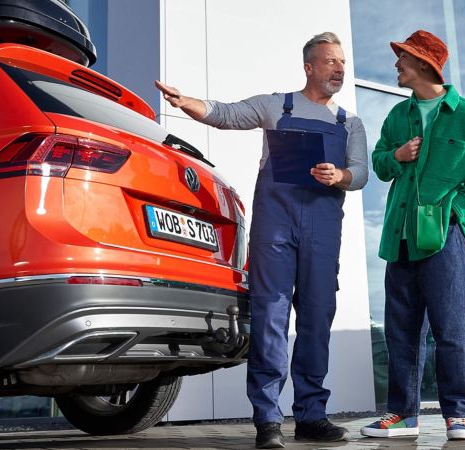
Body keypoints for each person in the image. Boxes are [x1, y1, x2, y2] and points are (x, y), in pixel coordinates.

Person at [155, 32, 367, 449]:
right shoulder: (277, 105)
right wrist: (186, 103)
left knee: (316, 320)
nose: (339, 69)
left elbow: (360, 172)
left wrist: (339, 176)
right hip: (276, 224)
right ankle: (267, 420)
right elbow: (226, 113)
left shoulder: (350, 123)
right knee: (271, 316)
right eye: (330, 62)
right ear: (309, 67)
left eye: (342, 62)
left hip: (323, 227)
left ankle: (311, 416)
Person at [360, 30, 465, 440]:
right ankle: (402, 415)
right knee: (400, 331)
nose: (396, 66)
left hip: (445, 237)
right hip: (400, 236)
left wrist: (454, 208)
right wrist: (397, 155)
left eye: (402, 59)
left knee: (451, 329)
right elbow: (381, 165)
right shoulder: (396, 117)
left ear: (424, 64)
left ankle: (460, 414)